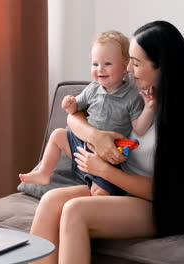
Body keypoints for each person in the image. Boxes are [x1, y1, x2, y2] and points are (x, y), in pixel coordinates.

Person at [30, 20, 184, 264]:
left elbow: (167, 191)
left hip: (161, 207)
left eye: (136, 63)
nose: (128, 68)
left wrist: (104, 170)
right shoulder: (136, 98)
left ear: (162, 67)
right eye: (128, 60)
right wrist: (96, 136)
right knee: (51, 200)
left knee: (75, 211)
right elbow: (74, 118)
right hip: (122, 191)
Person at [19, 31, 155, 196]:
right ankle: (44, 173)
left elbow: (139, 129)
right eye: (95, 64)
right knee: (58, 135)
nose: (100, 69)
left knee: (100, 192)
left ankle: (96, 204)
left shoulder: (131, 96)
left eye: (107, 64)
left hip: (108, 156)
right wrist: (70, 104)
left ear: (125, 66)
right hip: (83, 146)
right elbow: (75, 110)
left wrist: (148, 108)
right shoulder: (92, 89)